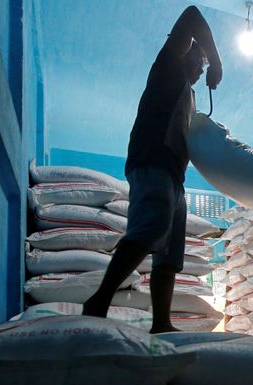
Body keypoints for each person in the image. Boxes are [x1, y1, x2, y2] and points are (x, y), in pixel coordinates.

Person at [83, 6, 222, 332]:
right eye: (199, 62)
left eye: (204, 66)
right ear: (187, 53)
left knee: (170, 255)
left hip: (175, 177)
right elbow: (192, 15)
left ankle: (161, 322)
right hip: (151, 163)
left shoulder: (188, 95)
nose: (202, 71)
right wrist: (217, 59)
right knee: (148, 231)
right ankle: (99, 300)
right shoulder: (168, 67)